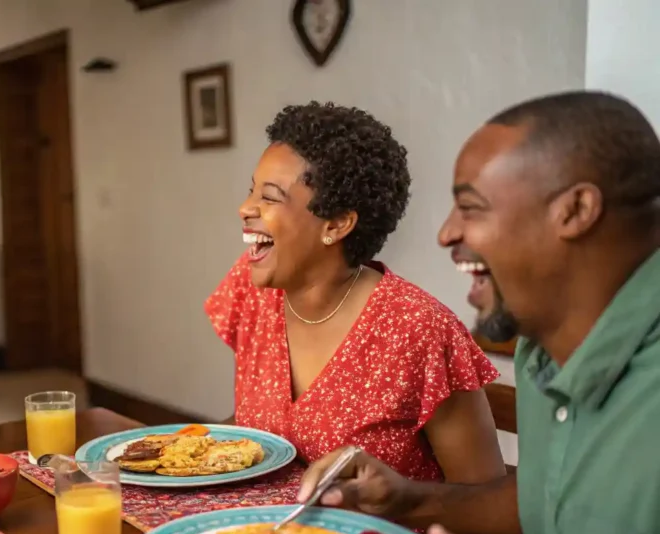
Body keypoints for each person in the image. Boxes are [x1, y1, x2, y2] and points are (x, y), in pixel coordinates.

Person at [298, 91, 660, 534]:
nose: (445, 233)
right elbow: (557, 506)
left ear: (574, 211)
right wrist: (408, 497)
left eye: (470, 207)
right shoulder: (546, 340)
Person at [206, 102, 504, 484]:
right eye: (252, 191)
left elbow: (483, 498)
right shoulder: (251, 290)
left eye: (270, 197)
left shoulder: (419, 330)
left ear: (337, 224)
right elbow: (259, 425)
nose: (245, 208)